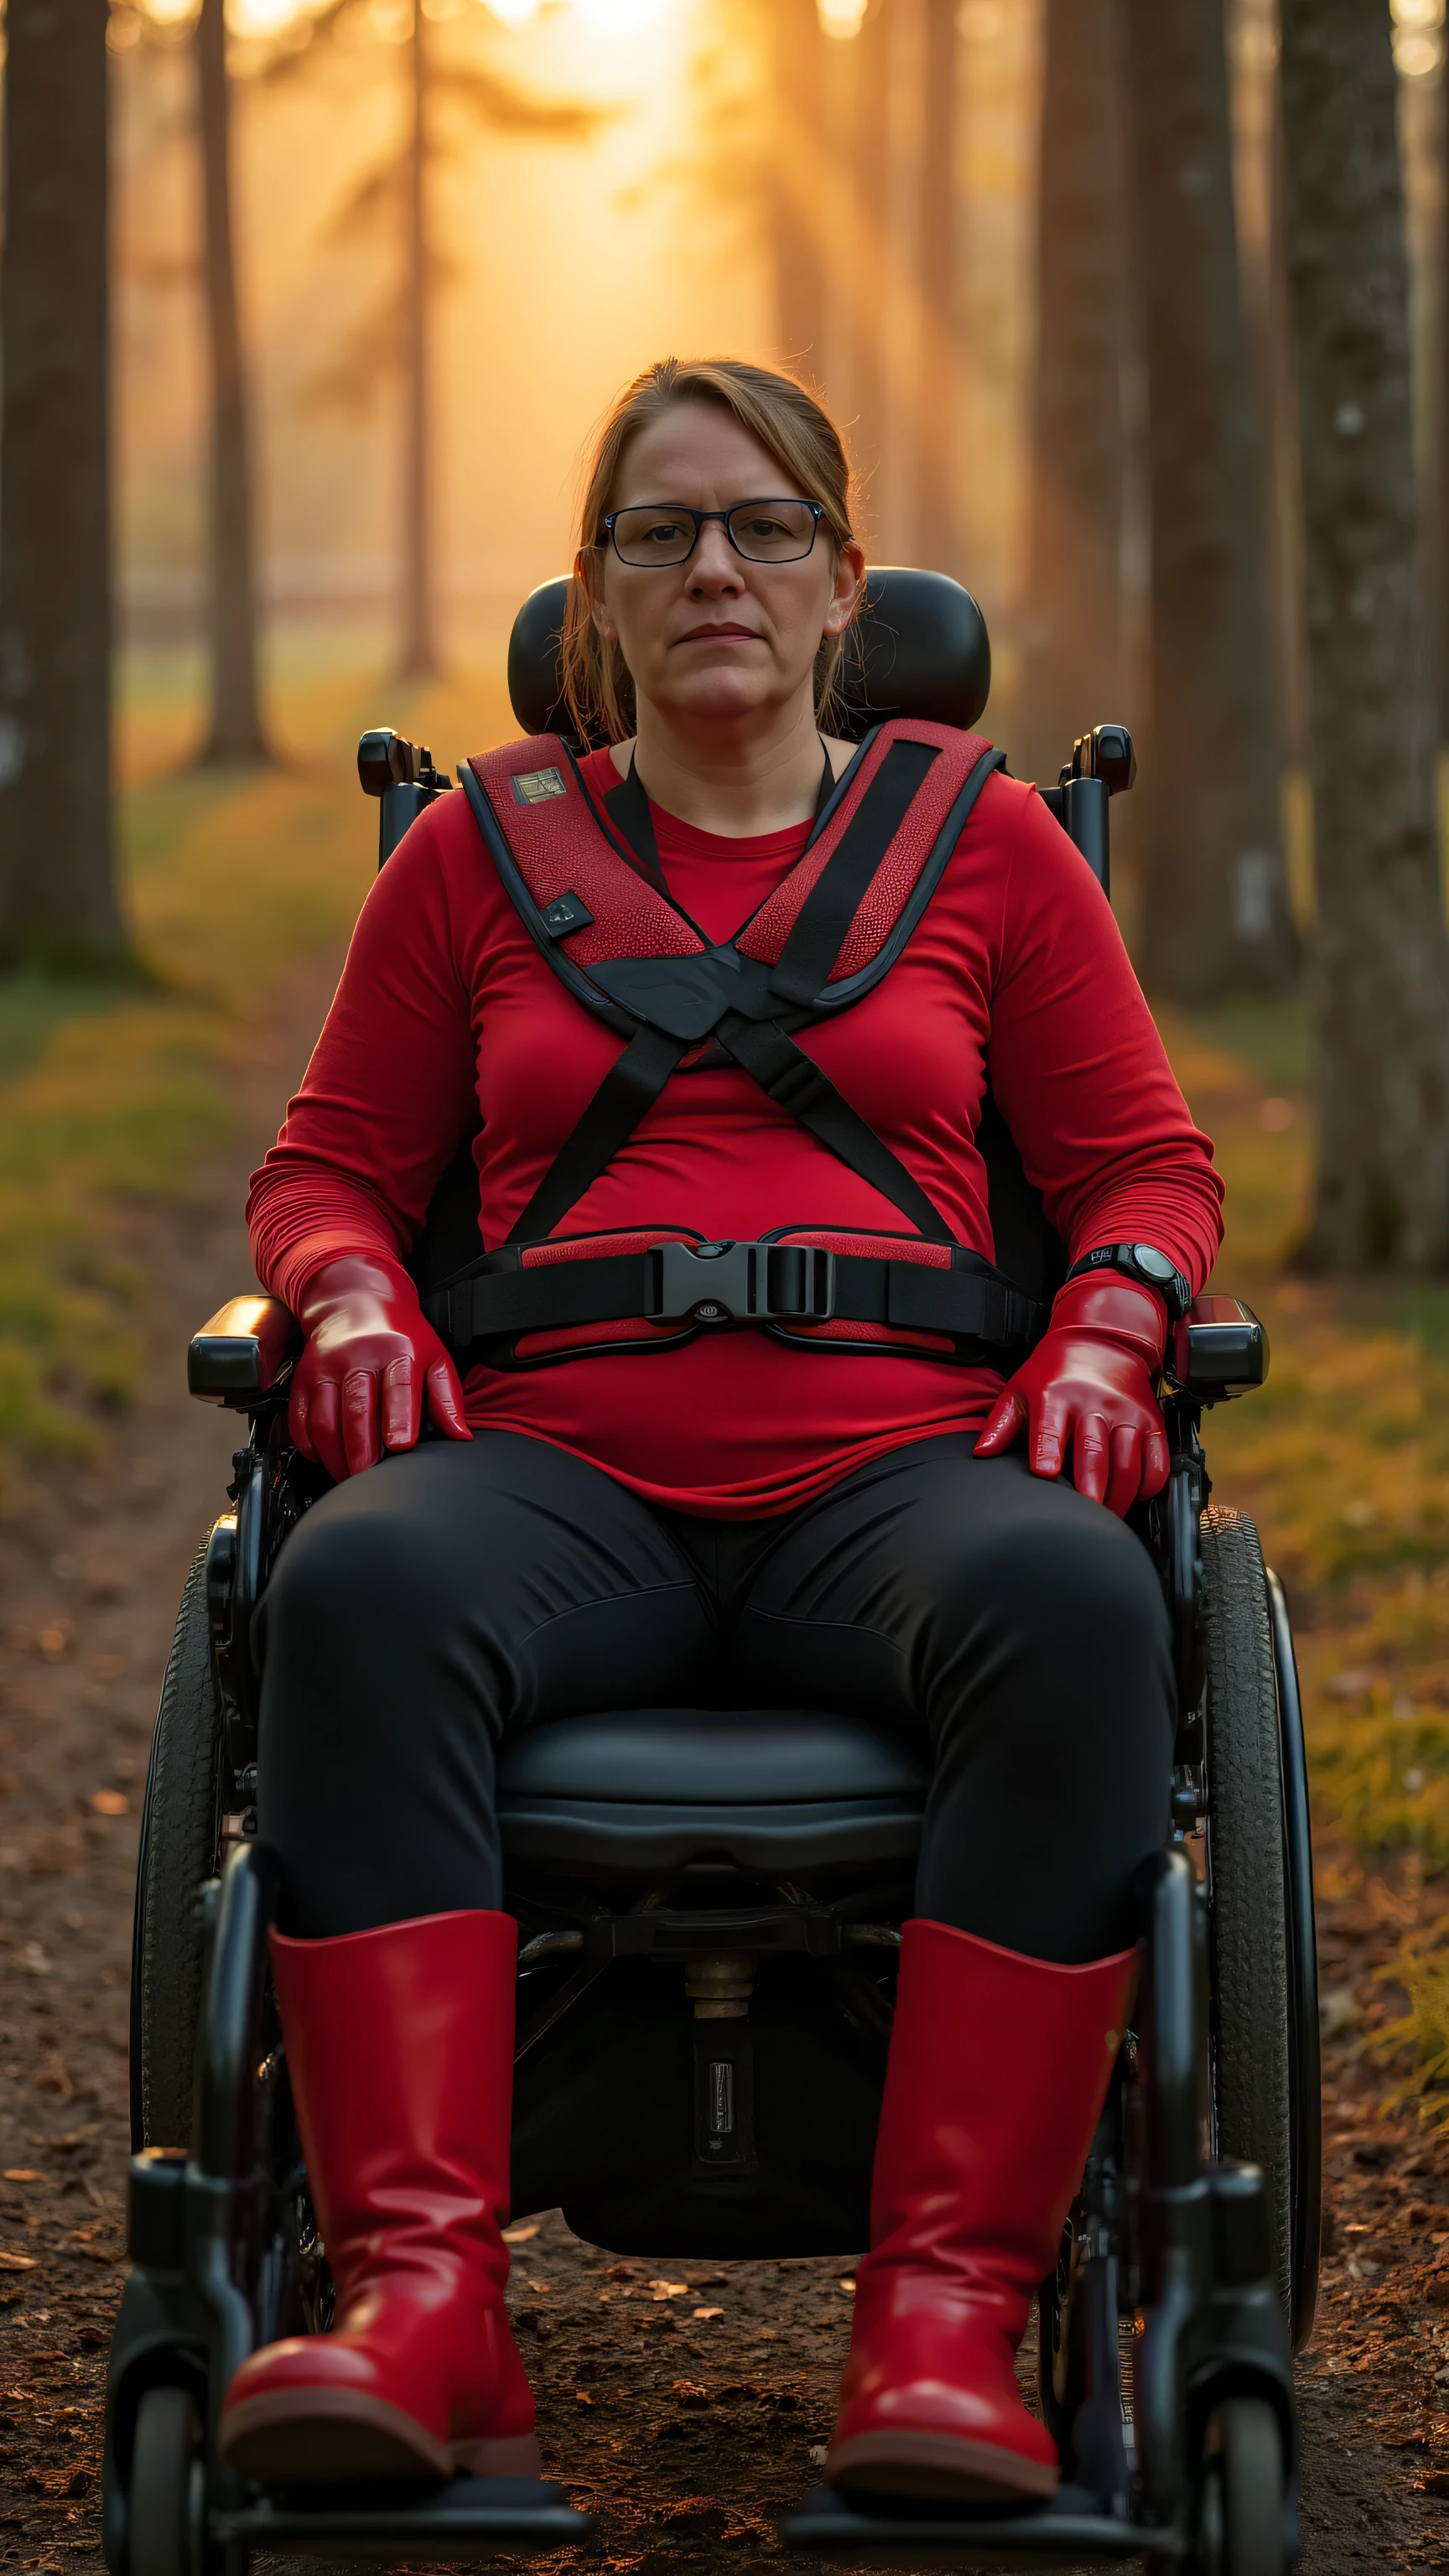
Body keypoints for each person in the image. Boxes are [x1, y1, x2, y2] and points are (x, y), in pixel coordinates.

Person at [218, 357, 1222, 2503]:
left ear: (849, 582)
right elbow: (320, 1169)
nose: (714, 573)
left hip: (903, 1486)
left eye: (762, 528)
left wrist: (1111, 1333)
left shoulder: (991, 846)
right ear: (594, 593)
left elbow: (1147, 1169)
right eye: (661, 532)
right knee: (359, 1577)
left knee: (1074, 1600)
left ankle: (944, 2334)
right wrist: (352, 1287)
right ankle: (422, 2307)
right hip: (557, 1486)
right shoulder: (482, 855)